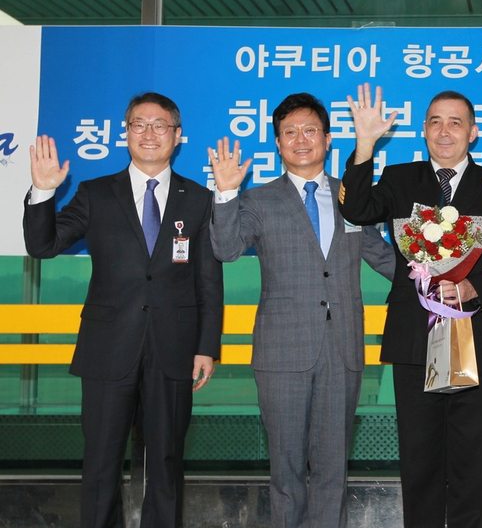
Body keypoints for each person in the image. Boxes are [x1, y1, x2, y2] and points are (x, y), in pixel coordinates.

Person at [23, 92, 223, 528]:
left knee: (166, 463)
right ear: (125, 133)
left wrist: (206, 346)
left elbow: (208, 280)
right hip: (108, 348)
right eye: (138, 124)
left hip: (173, 350)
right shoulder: (96, 194)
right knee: (100, 463)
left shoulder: (199, 200)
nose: (149, 133)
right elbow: (42, 245)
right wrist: (42, 192)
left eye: (159, 125)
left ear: (178, 135)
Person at [339, 83, 482, 528]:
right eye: (435, 122)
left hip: (474, 337)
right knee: (419, 458)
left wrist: (474, 288)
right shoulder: (401, 178)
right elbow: (357, 208)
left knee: (473, 458)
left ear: (473, 132)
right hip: (413, 339)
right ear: (423, 130)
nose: (445, 132)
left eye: (456, 122)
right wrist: (365, 144)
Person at [207, 92, 395, 527]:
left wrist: (436, 281)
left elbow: (381, 255)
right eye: (289, 133)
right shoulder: (258, 200)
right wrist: (226, 192)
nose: (301, 140)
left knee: (333, 469)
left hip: (342, 348)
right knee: (286, 470)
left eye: (310, 131)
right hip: (281, 352)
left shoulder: (353, 198)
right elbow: (226, 248)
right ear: (277, 144)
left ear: (328, 140)